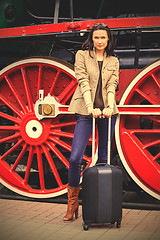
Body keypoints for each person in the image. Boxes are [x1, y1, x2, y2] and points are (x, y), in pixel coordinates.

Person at [63, 23, 119, 221]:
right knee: (75, 158)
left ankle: (101, 205)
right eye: (96, 38)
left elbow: (112, 85)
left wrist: (110, 106)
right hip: (86, 110)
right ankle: (72, 203)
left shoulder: (114, 60)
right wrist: (89, 107)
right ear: (91, 38)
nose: (100, 42)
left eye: (103, 38)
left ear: (109, 39)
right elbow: (83, 80)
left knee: (103, 159)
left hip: (106, 112)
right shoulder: (82, 55)